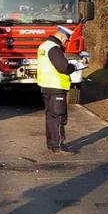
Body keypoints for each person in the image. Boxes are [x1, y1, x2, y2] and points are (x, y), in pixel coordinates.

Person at [37, 25, 85, 154]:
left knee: (51, 117)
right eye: (66, 39)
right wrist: (74, 67)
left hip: (46, 86)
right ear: (62, 36)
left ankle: (51, 143)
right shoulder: (54, 48)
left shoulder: (44, 46)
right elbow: (63, 68)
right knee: (58, 117)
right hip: (56, 86)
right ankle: (58, 145)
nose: (66, 42)